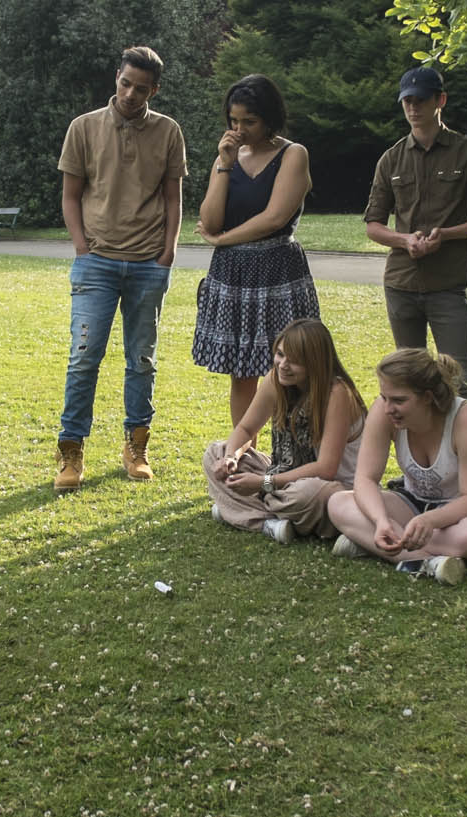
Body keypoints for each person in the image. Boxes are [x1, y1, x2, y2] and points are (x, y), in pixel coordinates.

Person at [54, 45, 189, 492]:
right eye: (125, 83)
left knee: (142, 361)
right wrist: (81, 248)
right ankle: (71, 454)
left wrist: (168, 252)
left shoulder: (169, 132)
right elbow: (71, 195)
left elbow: (173, 197)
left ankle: (136, 448)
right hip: (97, 264)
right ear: (117, 77)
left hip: (149, 264)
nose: (131, 94)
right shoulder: (84, 128)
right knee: (83, 358)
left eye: (141, 88)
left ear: (155, 89)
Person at [363, 66, 467, 405]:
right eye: (407, 101)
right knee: (407, 383)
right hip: (401, 285)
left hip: (448, 284)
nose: (413, 108)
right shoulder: (391, 159)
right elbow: (373, 224)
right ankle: (421, 456)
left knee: (460, 383)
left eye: (421, 100)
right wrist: (404, 240)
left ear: (440, 100)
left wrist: (449, 234)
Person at [193, 73, 319, 426]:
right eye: (233, 120)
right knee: (241, 369)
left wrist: (222, 241)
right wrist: (224, 164)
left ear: (269, 119)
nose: (239, 129)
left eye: (249, 121)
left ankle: (295, 451)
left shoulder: (293, 154)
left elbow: (274, 218)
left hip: (278, 269)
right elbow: (210, 219)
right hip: (233, 276)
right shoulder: (228, 158)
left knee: (293, 367)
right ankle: (243, 452)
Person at [326, 348, 467, 585]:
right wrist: (381, 520)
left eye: (399, 400)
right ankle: (428, 562)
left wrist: (429, 521)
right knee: (338, 502)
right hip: (415, 504)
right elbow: (365, 479)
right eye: (384, 398)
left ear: (427, 397)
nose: (388, 408)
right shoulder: (383, 413)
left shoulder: (465, 418)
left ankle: (374, 543)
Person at [203, 318, 366, 543]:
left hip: (329, 487)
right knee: (215, 453)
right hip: (284, 475)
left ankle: (244, 513)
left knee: (309, 494)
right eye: (280, 354)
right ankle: (270, 522)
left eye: (295, 360)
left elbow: (326, 469)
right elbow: (246, 428)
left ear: (315, 363)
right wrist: (232, 456)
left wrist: (263, 483)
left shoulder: (337, 393)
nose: (282, 364)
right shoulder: (276, 379)